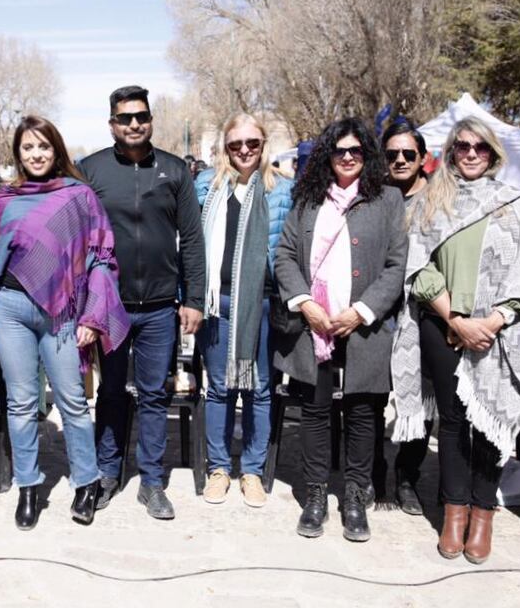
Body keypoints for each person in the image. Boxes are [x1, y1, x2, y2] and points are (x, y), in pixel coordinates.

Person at [391, 116, 520, 564]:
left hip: (498, 332)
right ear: (451, 150)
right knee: (454, 421)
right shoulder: (430, 202)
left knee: (489, 424)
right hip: (443, 326)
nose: (471, 154)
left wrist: (494, 320)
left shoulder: (515, 203)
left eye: (481, 147)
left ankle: (483, 514)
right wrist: (456, 319)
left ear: (494, 152)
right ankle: (454, 512)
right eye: (462, 146)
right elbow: (418, 268)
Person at [0, 116, 129, 529]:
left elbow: (101, 258)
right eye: (28, 148)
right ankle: (28, 487)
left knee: (72, 402)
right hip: (8, 308)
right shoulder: (4, 198)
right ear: (18, 153)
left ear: (56, 149)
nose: (36, 154)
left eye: (43, 146)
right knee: (21, 404)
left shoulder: (78, 197)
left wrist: (94, 316)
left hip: (62, 313)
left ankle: (86, 483)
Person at [275, 118, 407, 540]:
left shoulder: (386, 199)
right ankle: (315, 495)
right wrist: (306, 304)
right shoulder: (308, 199)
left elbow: (396, 265)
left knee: (363, 413)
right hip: (314, 324)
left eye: (355, 151)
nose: (347, 157)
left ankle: (355, 495)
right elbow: (284, 256)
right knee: (314, 412)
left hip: (364, 327)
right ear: (327, 157)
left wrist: (363, 310)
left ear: (366, 155)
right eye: (339, 151)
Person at [79, 85, 205, 520]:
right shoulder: (90, 170)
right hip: (108, 307)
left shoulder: (174, 170)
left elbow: (191, 238)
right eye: (125, 117)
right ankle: (107, 473)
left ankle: (151, 481)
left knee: (154, 394)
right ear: (112, 123)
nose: (134, 124)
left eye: (141, 116)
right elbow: (77, 239)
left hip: (159, 307)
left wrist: (194, 299)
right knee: (111, 392)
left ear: (150, 120)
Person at [193, 113, 293, 508]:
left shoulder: (283, 190)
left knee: (259, 389)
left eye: (253, 143)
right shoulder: (206, 186)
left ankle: (251, 470)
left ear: (264, 144)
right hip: (218, 303)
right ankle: (219, 468)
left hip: (263, 304)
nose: (245, 151)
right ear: (225, 148)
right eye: (236, 145)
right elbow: (191, 247)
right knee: (218, 388)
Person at [379, 117, 431, 514]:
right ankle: (374, 474)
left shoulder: (438, 201)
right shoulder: (375, 196)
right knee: (372, 398)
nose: (399, 160)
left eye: (407, 154)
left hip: (424, 313)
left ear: (422, 158)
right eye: (392, 153)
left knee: (421, 398)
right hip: (380, 312)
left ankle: (408, 477)